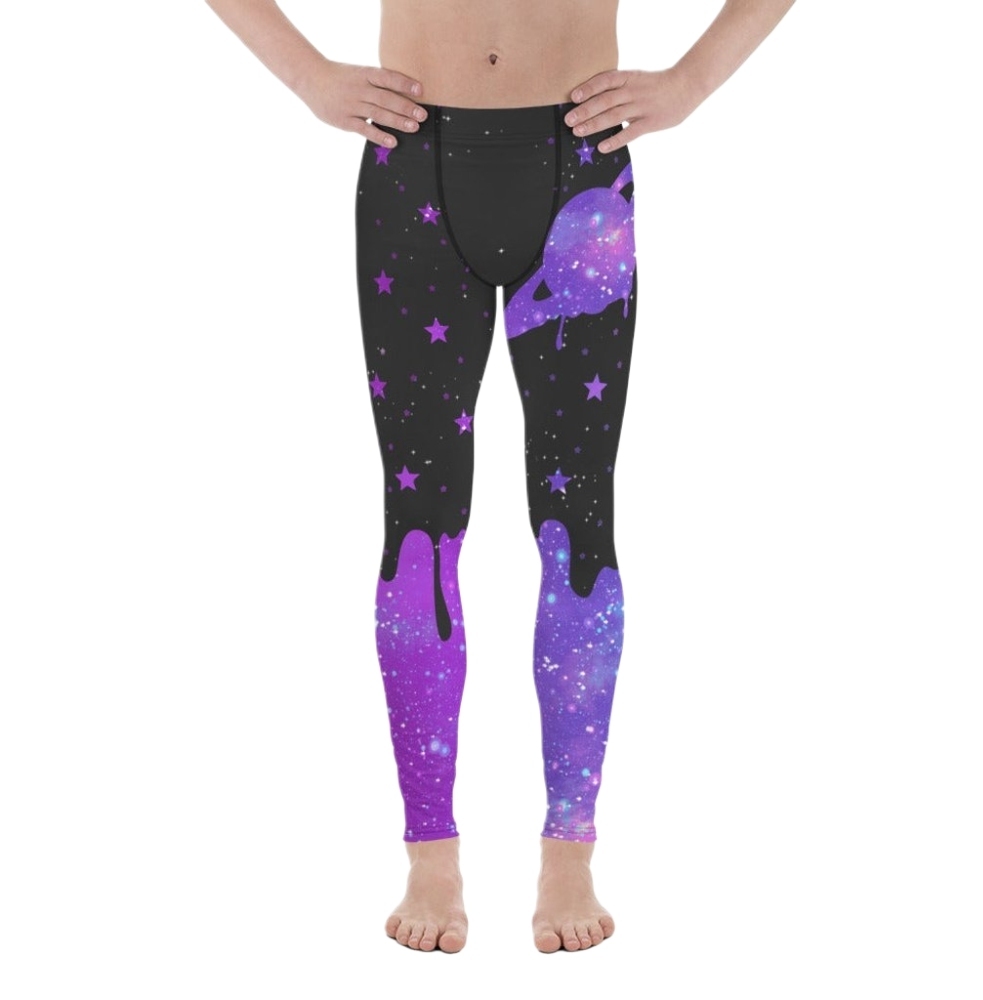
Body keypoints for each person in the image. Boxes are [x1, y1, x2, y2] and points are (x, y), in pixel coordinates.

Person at [204, 0, 797, 953]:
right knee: (420, 524)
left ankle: (571, 849)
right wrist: (309, 74)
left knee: (578, 522)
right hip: (410, 172)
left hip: (581, 174)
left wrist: (690, 82)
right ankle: (429, 852)